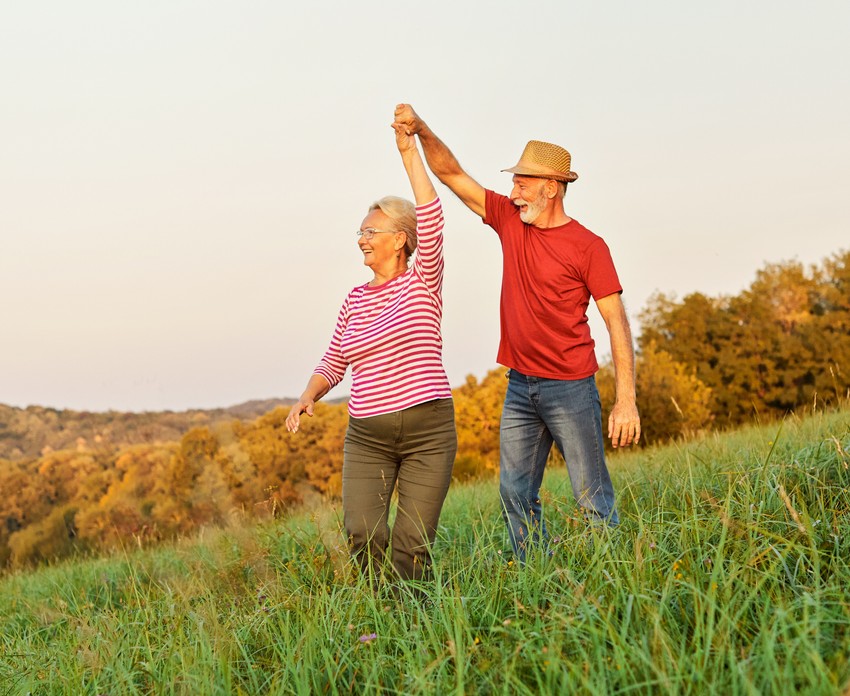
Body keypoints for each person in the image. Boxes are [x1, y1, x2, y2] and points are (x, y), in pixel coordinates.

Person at [394, 104, 641, 560]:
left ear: (553, 188)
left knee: (591, 497)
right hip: (519, 387)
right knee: (513, 493)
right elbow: (451, 174)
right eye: (513, 182)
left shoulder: (589, 247)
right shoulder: (510, 219)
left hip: (571, 388)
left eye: (522, 183)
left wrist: (626, 399)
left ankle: (612, 577)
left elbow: (617, 324)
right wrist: (422, 130)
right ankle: (536, 576)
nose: (513, 191)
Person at [285, 117, 457, 583]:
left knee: (412, 541)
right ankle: (378, 618)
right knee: (362, 533)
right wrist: (308, 395)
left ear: (400, 239)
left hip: (427, 431)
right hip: (368, 436)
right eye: (359, 232)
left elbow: (432, 212)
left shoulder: (423, 280)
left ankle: (412, 624)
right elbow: (335, 359)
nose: (361, 238)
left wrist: (408, 151)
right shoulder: (355, 299)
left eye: (370, 231)